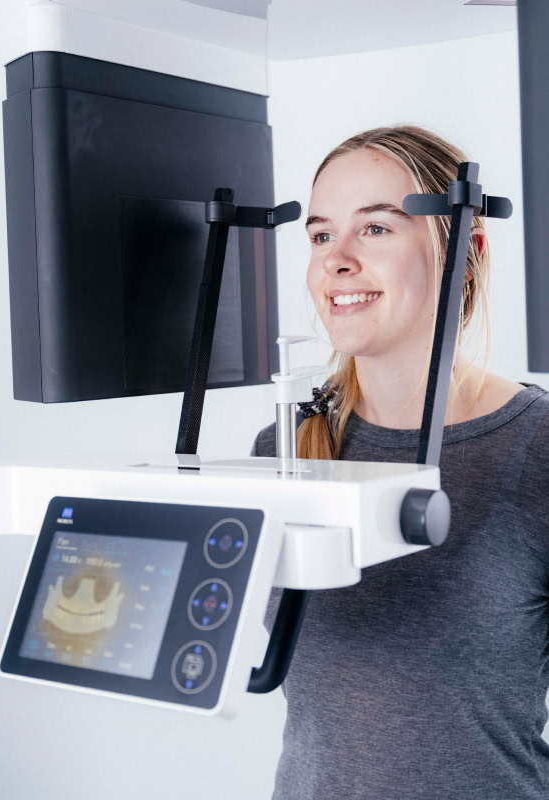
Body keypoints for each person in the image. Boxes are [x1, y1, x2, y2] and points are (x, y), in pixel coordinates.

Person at [251, 125, 549, 800]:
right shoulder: (285, 448)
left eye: (376, 230)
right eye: (322, 235)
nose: (338, 260)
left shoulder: (537, 449)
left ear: (464, 249)